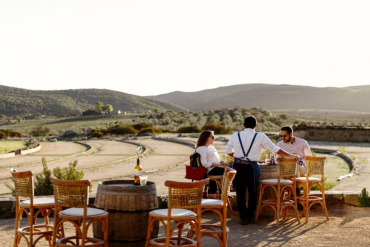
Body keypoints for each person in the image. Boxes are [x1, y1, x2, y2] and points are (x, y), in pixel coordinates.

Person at [225, 116, 299, 225]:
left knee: (240, 192)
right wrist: (291, 155)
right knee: (253, 191)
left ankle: (243, 218)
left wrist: (238, 156)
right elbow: (275, 149)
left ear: (243, 125)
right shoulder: (260, 136)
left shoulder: (235, 135)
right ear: (255, 126)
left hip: (238, 165)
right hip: (252, 166)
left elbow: (228, 151)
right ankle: (251, 216)